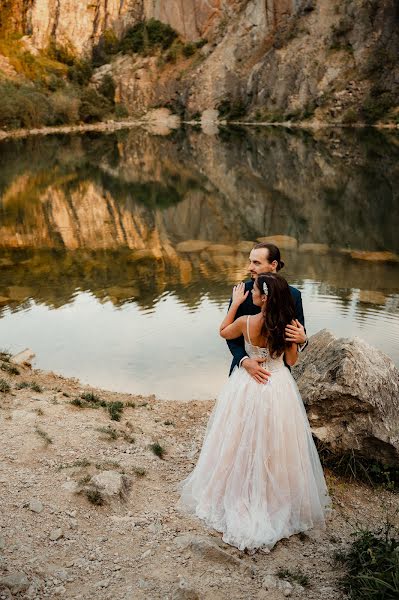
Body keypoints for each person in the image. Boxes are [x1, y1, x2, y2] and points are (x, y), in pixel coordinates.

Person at [178, 273, 330, 552]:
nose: (251, 293)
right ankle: (274, 496)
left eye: (256, 291)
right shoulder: (288, 326)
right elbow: (292, 361)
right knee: (277, 441)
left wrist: (235, 304)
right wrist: (299, 339)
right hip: (278, 385)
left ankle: (238, 488)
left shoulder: (246, 322)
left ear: (264, 297)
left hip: (248, 385)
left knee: (240, 436)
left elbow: (223, 332)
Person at [227, 242, 307, 383]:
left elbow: (297, 333)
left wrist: (303, 340)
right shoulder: (241, 291)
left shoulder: (293, 295)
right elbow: (230, 336)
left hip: (277, 374)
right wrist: (244, 361)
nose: (250, 267)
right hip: (244, 371)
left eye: (256, 263)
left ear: (273, 264)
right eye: (250, 262)